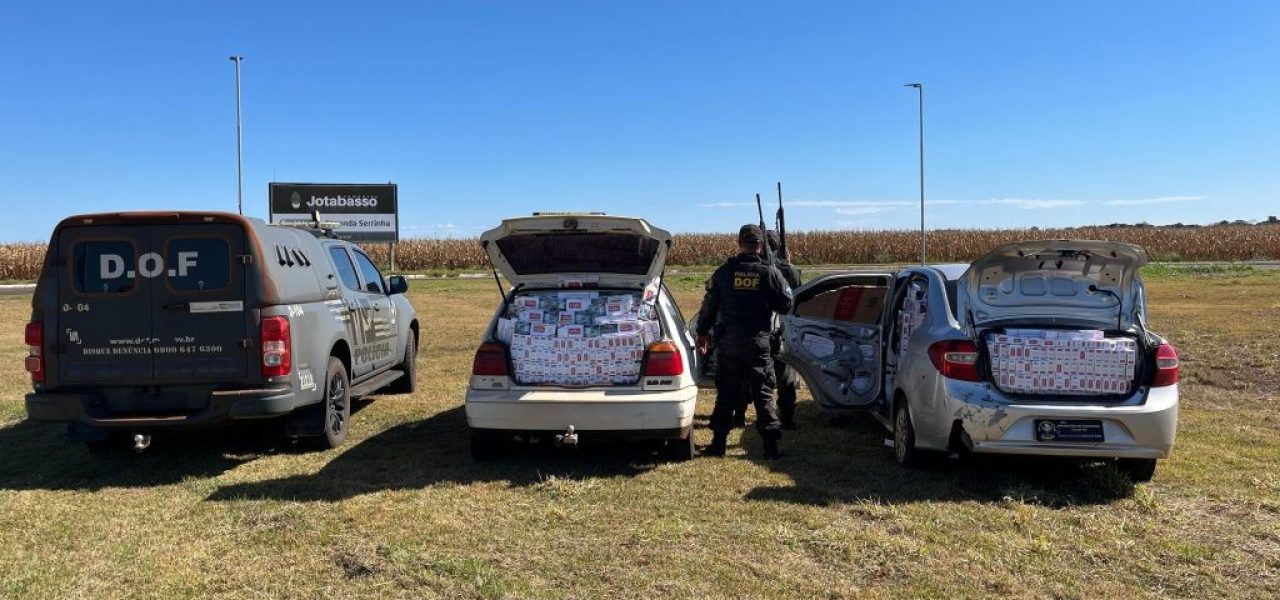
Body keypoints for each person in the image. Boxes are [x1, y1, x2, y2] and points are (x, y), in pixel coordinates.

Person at [695, 224, 794, 458]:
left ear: (739, 243)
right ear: (761, 245)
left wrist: (702, 332)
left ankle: (718, 444)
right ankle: (771, 447)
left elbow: (708, 307)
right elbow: (786, 305)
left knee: (726, 392)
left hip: (729, 341)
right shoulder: (770, 273)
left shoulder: (724, 272)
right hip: (758, 342)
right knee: (764, 393)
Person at [765, 230, 802, 429]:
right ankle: (787, 417)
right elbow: (798, 298)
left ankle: (740, 414)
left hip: (759, 329)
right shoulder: (788, 269)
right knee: (785, 375)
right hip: (784, 328)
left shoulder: (761, 267)